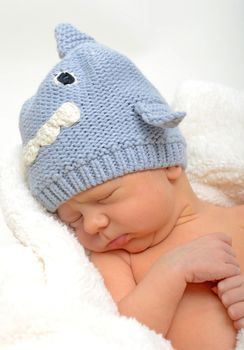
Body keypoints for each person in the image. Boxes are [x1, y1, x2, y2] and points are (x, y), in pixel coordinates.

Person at [19, 23, 244, 350]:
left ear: (167, 165)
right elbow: (122, 334)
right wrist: (171, 271)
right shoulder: (118, 260)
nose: (93, 224)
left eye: (104, 197)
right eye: (74, 220)